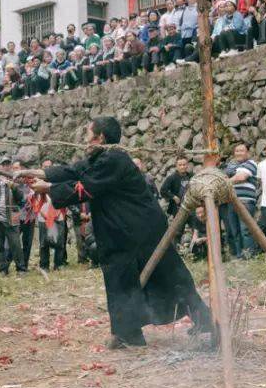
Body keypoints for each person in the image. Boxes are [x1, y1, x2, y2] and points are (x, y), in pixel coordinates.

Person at [17, 117, 212, 349]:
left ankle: (203, 322)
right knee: (121, 277)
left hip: (141, 228)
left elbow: (86, 187)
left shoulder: (114, 159)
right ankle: (128, 333)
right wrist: (35, 173)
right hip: (123, 229)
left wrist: (47, 188)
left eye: (88, 136)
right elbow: (72, 170)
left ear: (100, 138)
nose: (85, 141)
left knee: (168, 275)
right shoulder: (100, 158)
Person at [223, 143, 257, 259]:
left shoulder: (250, 164)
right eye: (237, 151)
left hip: (245, 201)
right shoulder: (231, 166)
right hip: (231, 201)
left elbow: (241, 177)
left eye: (242, 151)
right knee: (235, 231)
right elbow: (225, 176)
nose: (239, 153)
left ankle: (249, 256)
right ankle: (239, 256)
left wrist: (226, 182)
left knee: (245, 230)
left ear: (248, 152)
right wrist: (230, 178)